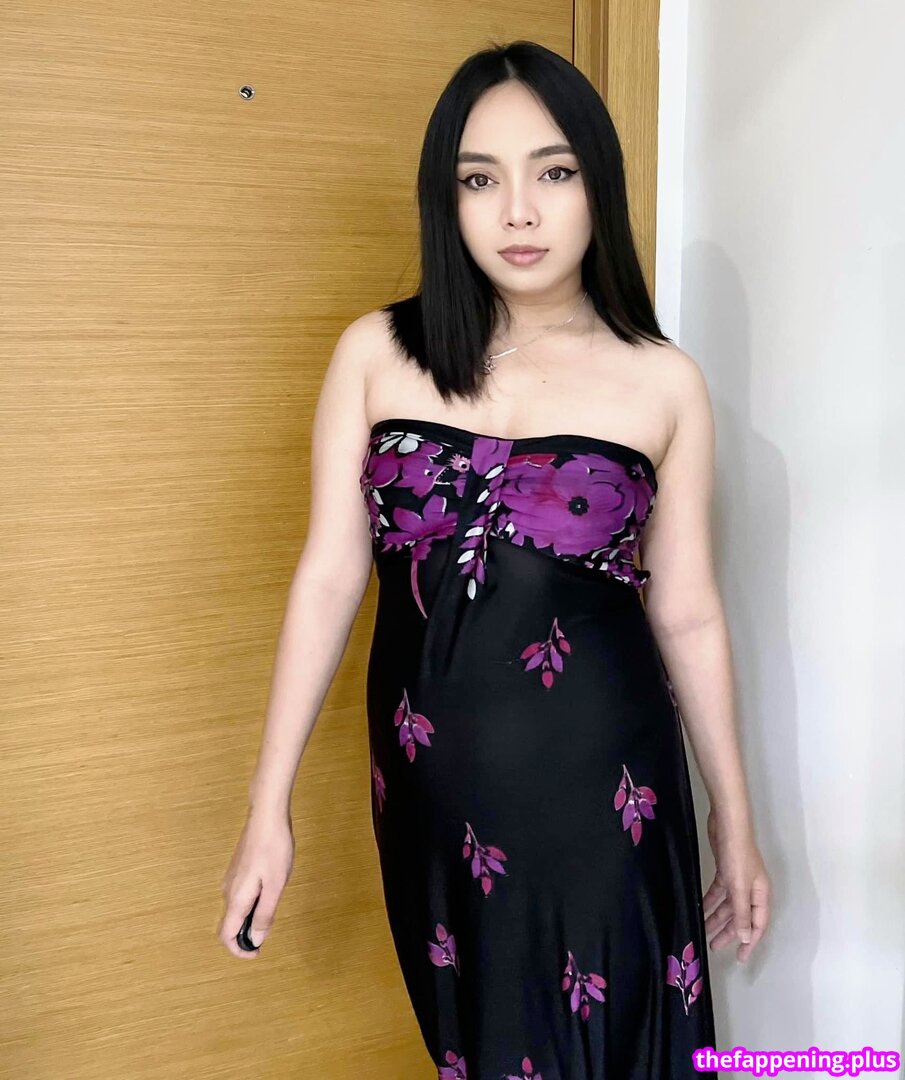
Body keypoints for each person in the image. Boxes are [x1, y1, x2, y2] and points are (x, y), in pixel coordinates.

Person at [219, 39, 770, 1079]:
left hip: (608, 792)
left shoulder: (662, 383)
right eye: (480, 180)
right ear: (447, 199)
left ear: (597, 185)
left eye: (552, 172)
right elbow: (330, 578)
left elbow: (687, 610)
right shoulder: (376, 354)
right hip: (432, 793)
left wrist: (733, 821)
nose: (518, 211)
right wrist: (266, 811)